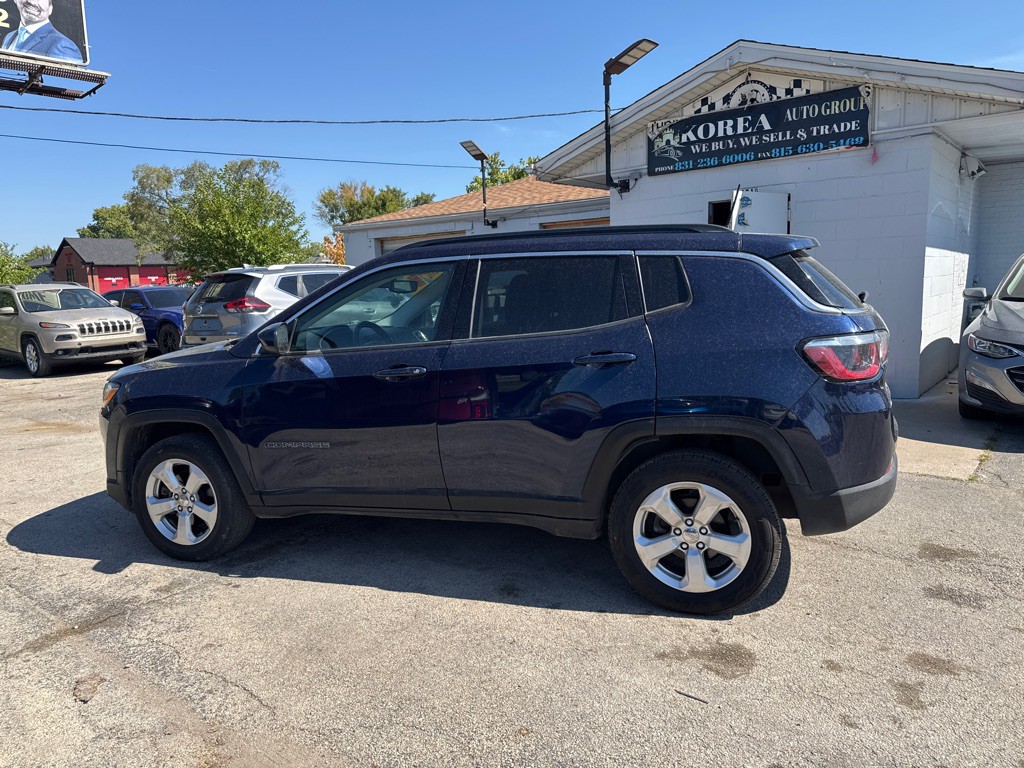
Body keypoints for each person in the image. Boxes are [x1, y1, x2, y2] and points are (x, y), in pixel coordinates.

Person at [2, 0, 83, 64]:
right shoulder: (9, 37)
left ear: (50, 8)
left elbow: (70, 82)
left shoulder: (62, 44)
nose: (31, 1)